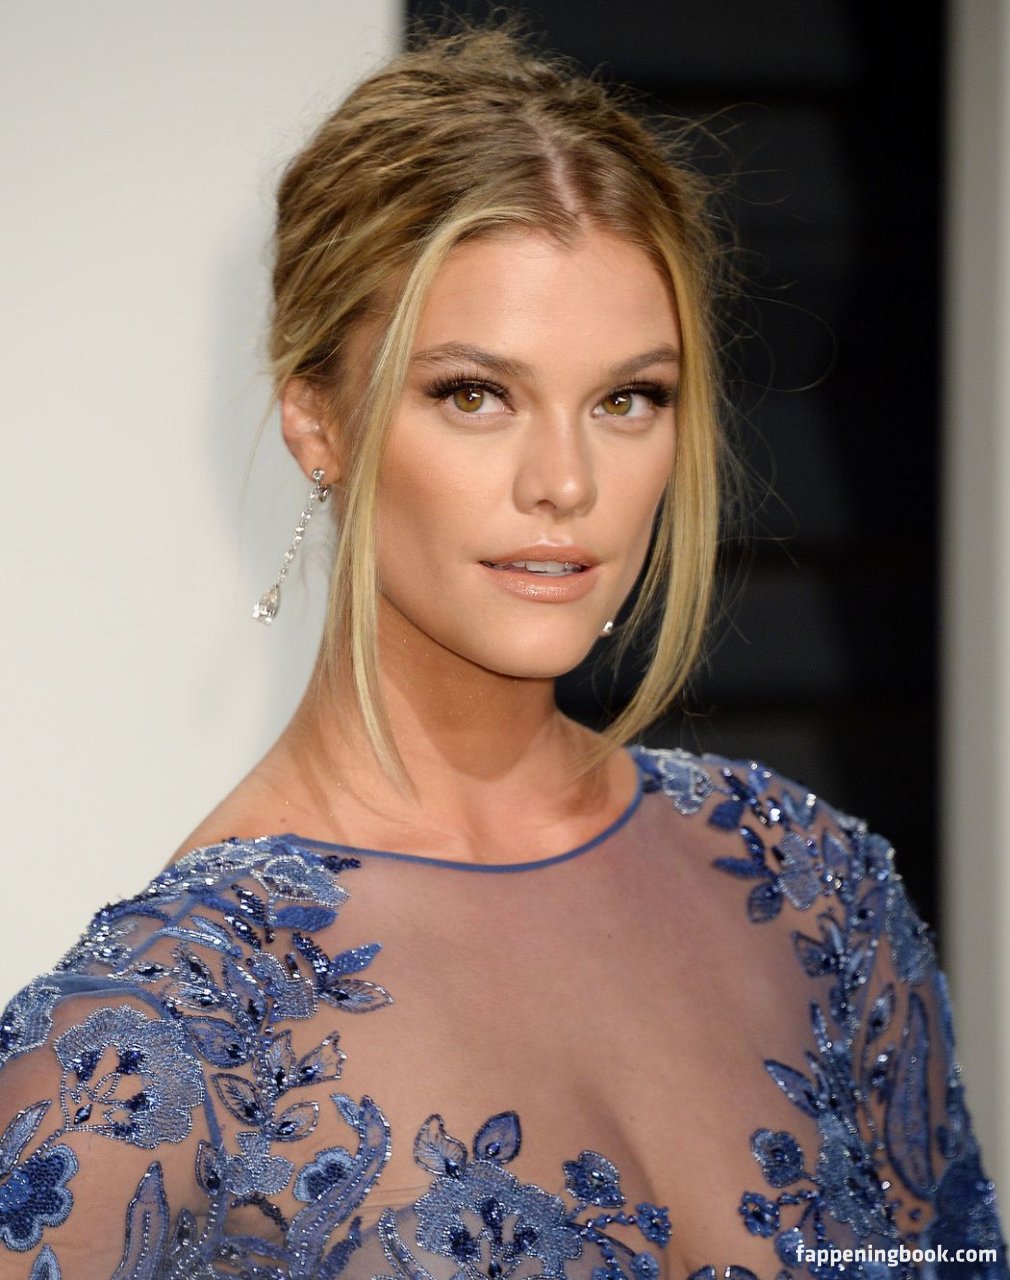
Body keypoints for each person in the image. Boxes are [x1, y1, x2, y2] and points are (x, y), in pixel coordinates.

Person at [0, 22, 1004, 1280]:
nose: (564, 481)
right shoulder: (153, 1040)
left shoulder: (812, 884)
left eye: (626, 398)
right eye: (474, 393)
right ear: (316, 419)